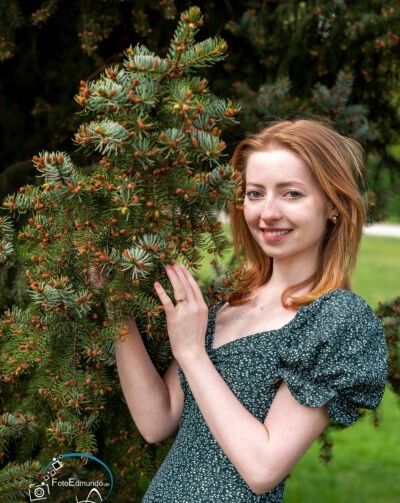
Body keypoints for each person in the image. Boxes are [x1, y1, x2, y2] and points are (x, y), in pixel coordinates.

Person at [115, 119, 388, 502]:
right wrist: (115, 310)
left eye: (291, 194)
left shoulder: (336, 318)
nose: (268, 213)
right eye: (256, 194)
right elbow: (156, 421)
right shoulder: (229, 302)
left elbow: (263, 468)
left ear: (333, 205)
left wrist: (192, 352)